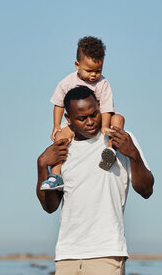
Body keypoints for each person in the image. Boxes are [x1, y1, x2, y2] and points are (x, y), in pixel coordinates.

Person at [36, 86, 154, 275]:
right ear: (68, 119)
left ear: (100, 107)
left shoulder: (119, 139)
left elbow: (146, 190)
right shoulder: (62, 148)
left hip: (106, 252)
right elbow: (50, 206)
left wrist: (133, 154)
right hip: (67, 255)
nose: (90, 122)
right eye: (82, 118)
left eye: (94, 114)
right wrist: (42, 165)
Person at [41, 36, 125, 191]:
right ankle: (55, 175)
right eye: (89, 71)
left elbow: (107, 107)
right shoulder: (67, 82)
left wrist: (105, 126)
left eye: (98, 71)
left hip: (99, 118)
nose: (93, 75)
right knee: (60, 137)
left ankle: (110, 151)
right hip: (76, 123)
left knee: (119, 119)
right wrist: (56, 125)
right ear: (77, 65)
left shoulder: (103, 84)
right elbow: (59, 104)